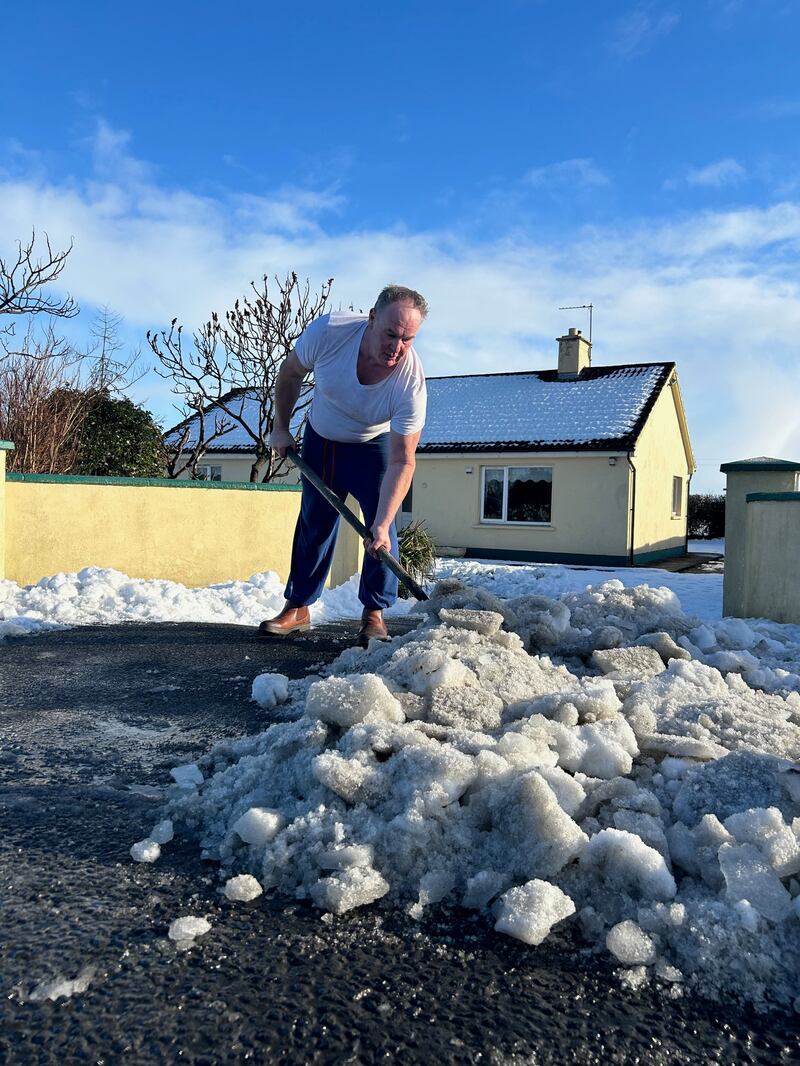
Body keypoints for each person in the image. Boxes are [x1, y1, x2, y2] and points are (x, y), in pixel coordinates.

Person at [259, 284, 428, 646]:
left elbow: (403, 458)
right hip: (322, 440)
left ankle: (374, 614)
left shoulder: (410, 383)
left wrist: (381, 523)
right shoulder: (330, 332)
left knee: (382, 531)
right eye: (390, 333)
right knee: (313, 524)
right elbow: (290, 374)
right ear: (371, 318)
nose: (396, 347)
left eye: (407, 339)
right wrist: (281, 428)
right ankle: (298, 607)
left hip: (375, 449)